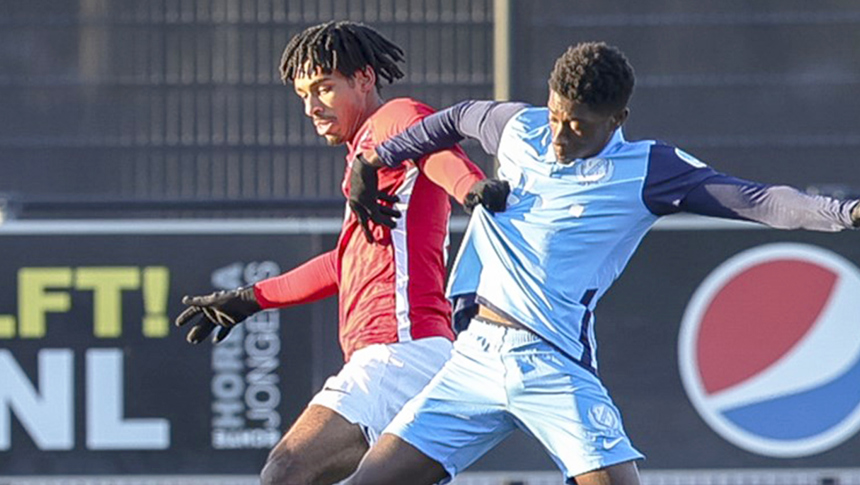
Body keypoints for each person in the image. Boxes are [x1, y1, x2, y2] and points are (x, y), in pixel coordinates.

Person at [344, 41, 860, 485]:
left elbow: (760, 201)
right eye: (555, 115)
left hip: (551, 363)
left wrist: (846, 213)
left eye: (578, 126)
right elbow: (455, 118)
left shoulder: (648, 170)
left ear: (617, 120)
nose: (559, 137)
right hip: (473, 359)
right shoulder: (519, 128)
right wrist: (374, 160)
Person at [174, 21, 491, 485]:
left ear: (364, 79)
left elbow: (433, 146)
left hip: (399, 353)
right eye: (303, 94)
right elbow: (345, 263)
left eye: (324, 88)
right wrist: (250, 298)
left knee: (287, 470)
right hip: (408, 354)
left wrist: (469, 188)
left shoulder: (392, 117)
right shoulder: (365, 154)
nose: (312, 107)